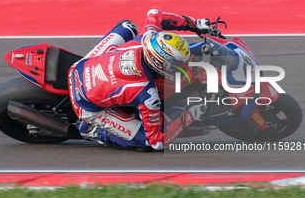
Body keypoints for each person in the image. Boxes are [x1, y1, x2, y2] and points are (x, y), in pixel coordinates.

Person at [68, 9, 211, 151]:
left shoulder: (147, 37)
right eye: (176, 67)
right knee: (146, 142)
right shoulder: (147, 93)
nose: (182, 70)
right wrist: (188, 117)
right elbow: (157, 140)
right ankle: (94, 130)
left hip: (80, 67)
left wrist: (195, 24)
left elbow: (155, 14)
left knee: (128, 26)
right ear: (159, 64)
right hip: (84, 104)